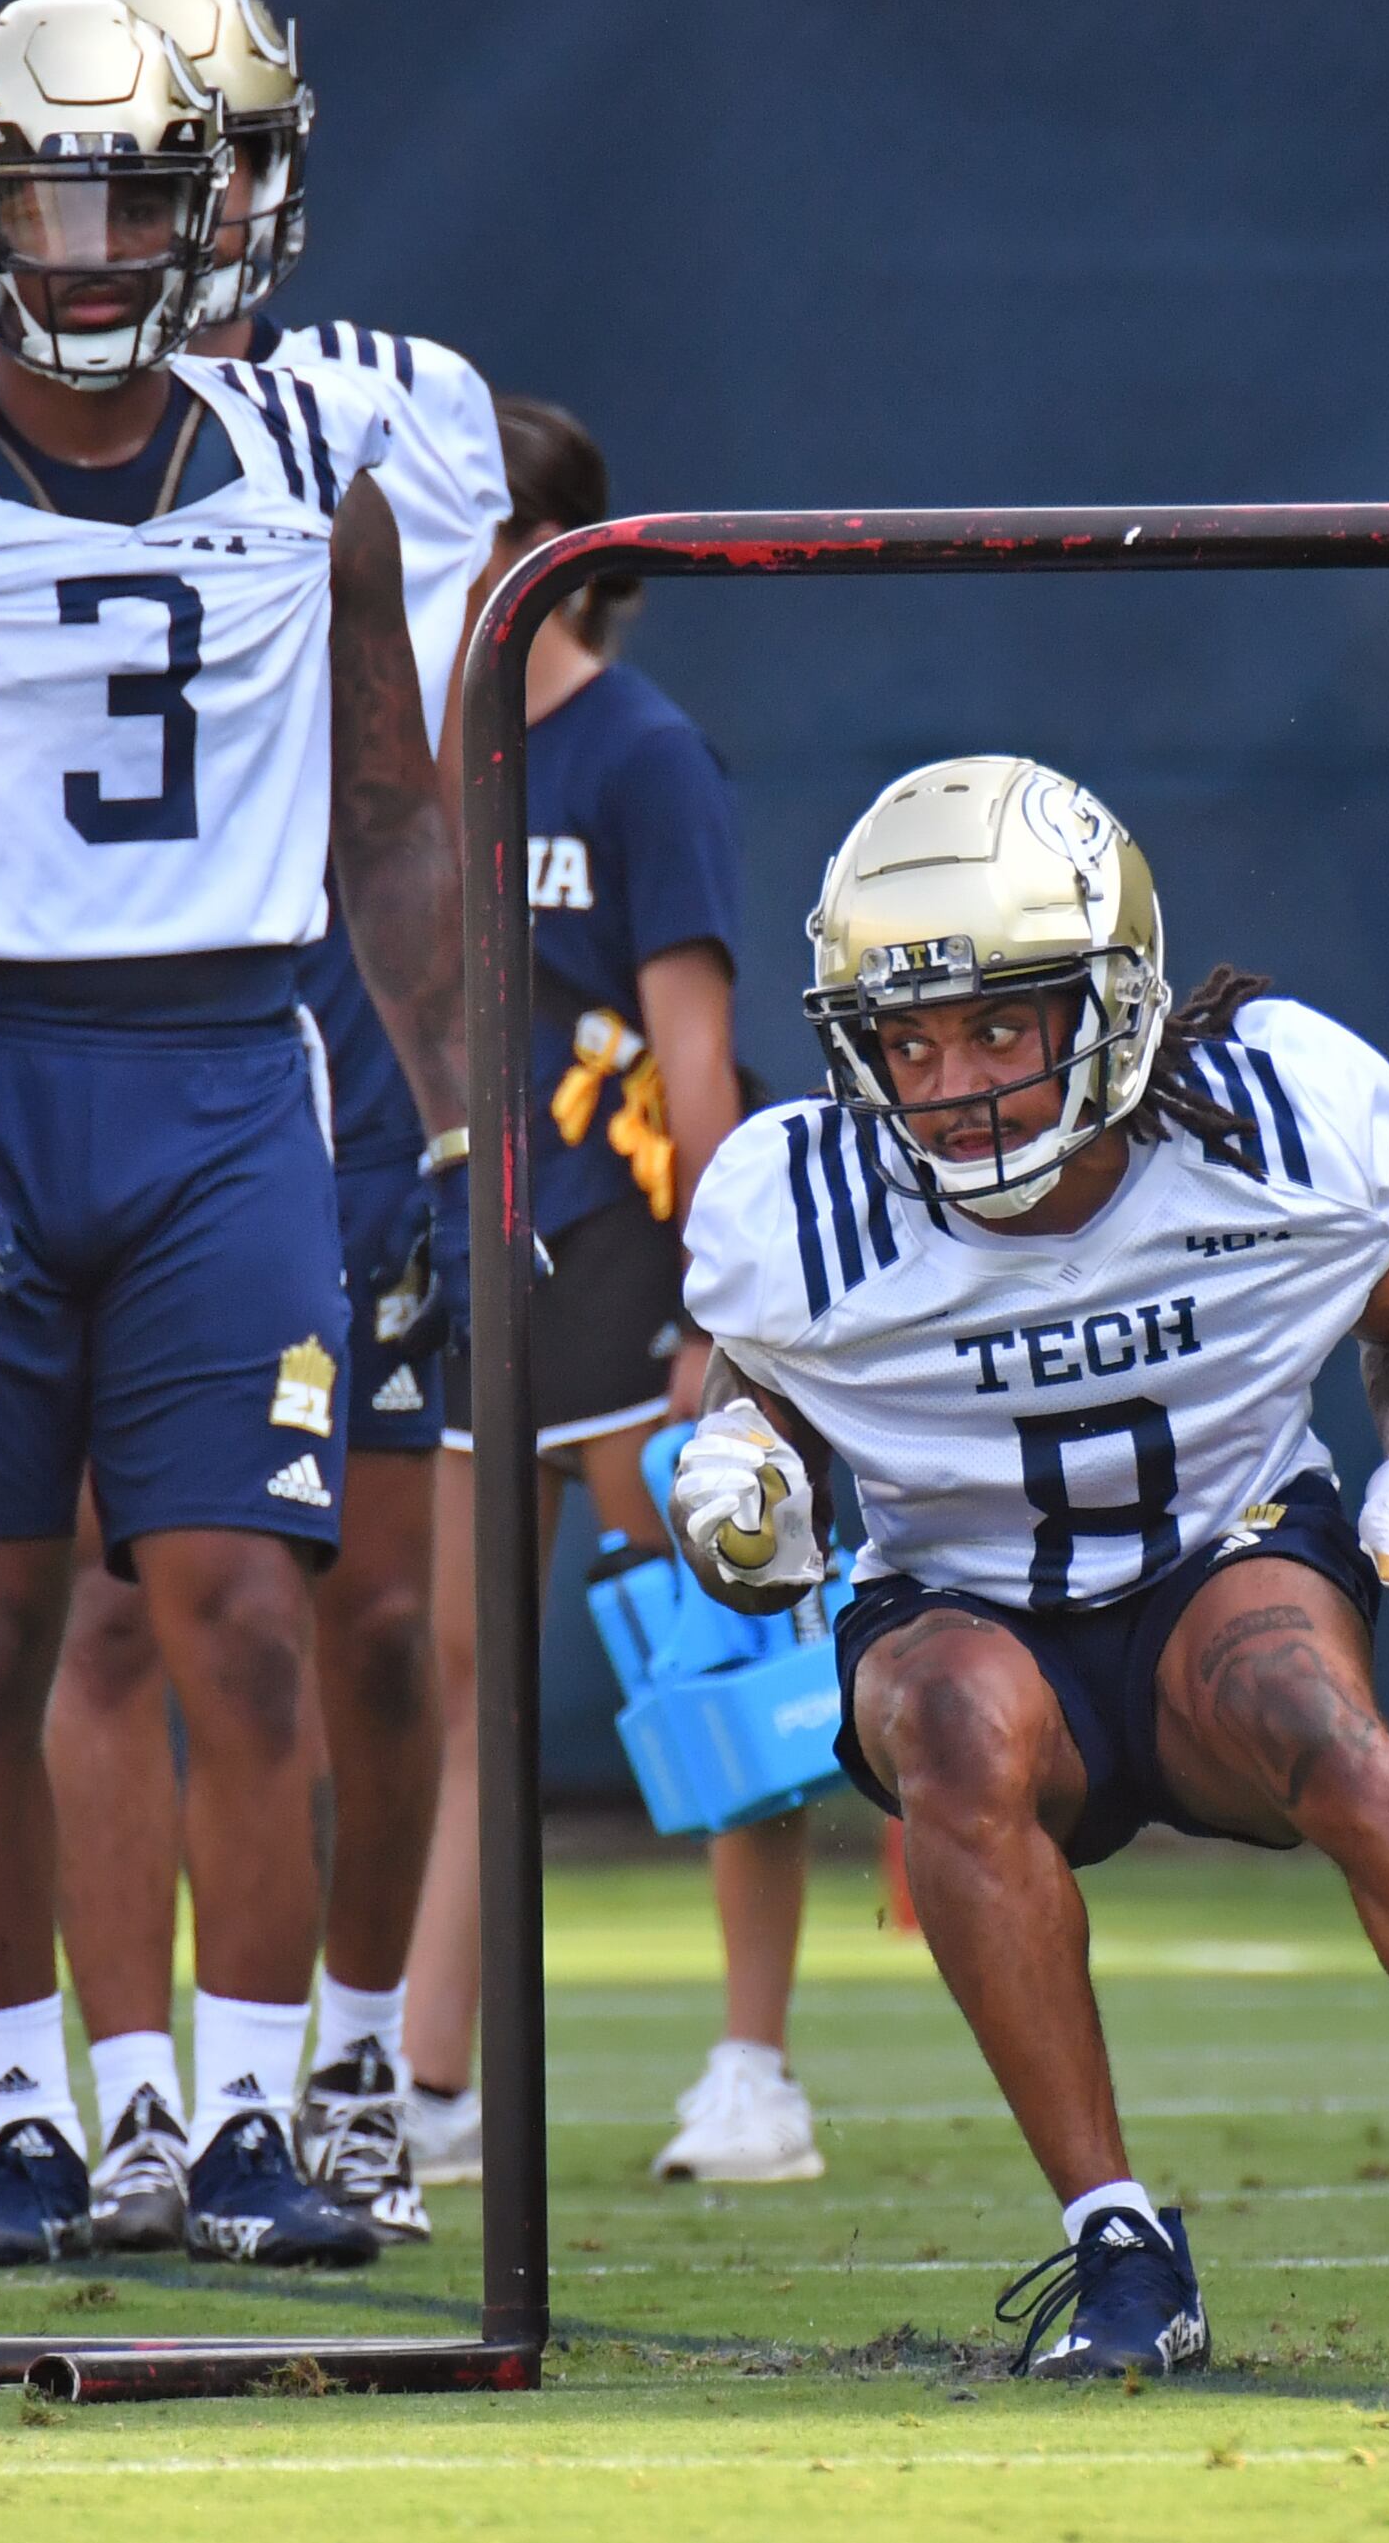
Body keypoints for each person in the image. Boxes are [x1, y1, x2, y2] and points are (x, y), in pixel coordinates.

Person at [672, 757, 1389, 2376]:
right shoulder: (808, 1207)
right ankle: (1120, 2244)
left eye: (996, 1028)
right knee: (963, 1726)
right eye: (908, 1040)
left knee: (1308, 1710)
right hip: (964, 1603)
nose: (952, 1084)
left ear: (1109, 1007)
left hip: (1219, 1559)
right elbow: (763, 1381)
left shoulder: (1267, 1125)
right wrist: (743, 1465)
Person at [0, 0, 465, 2272]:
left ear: (204, 208)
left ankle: (245, 2124)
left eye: (131, 194)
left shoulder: (308, 457)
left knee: (244, 1612)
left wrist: (452, 1132)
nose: (84, 244)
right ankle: (43, 2118)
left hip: (229, 1077)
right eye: (43, 199)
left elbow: (395, 821)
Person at [30, 0, 509, 2252]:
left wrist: (465, 1099)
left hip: (341, 1005)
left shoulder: (395, 407)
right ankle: (134, 2099)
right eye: (132, 181)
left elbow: (438, 784)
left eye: (205, 179)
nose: (171, 229)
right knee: (125, 1604)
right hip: (123, 1011)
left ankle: (341, 2063)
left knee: (385, 1610)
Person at [396, 398, 821, 2187]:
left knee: (719, 1662)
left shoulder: (643, 754)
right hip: (485, 1256)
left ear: (525, 547)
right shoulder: (416, 752)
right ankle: (416, 2078)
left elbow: (698, 1061)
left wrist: (719, 1324)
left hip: (639, 1260)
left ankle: (754, 2073)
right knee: (466, 1675)